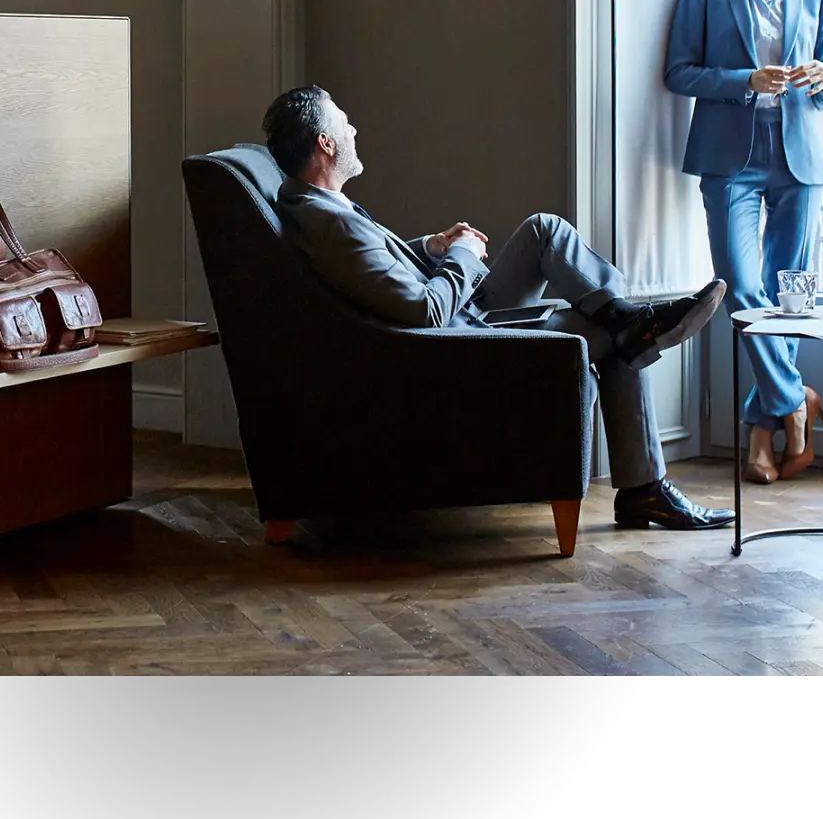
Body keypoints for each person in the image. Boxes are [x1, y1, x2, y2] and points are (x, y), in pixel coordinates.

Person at [261, 85, 734, 531]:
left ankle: (629, 319)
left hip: (454, 308)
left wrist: (432, 246)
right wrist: (464, 254)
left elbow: (370, 269)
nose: (354, 131)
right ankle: (645, 482)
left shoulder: (310, 203)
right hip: (450, 337)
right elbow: (425, 312)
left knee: (545, 231)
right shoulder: (327, 221)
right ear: (325, 143)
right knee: (612, 335)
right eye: (344, 124)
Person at [665, 0, 823, 485]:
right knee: (743, 290)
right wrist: (744, 81)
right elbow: (679, 72)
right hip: (728, 155)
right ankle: (796, 400)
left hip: (797, 157)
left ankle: (760, 436)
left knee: (784, 298)